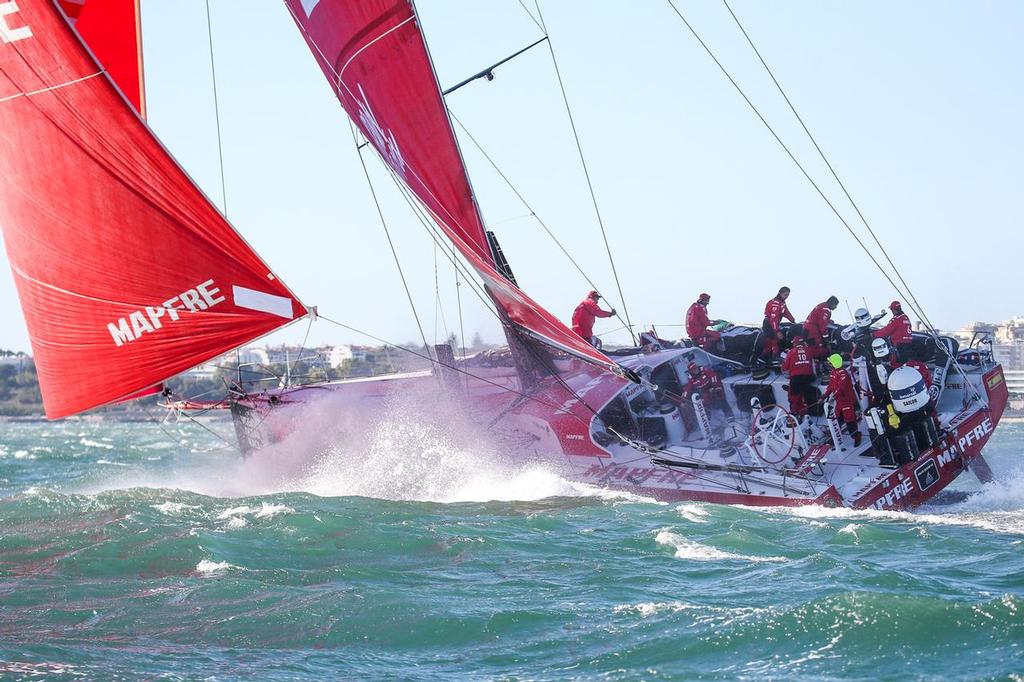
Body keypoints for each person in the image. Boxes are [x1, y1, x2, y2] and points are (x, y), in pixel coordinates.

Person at [823, 353, 862, 446]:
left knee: (850, 421)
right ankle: (835, 438)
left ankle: (857, 436)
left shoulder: (843, 374)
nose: (829, 364)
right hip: (839, 401)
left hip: (847, 401)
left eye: (830, 362)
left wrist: (832, 397)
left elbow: (841, 388)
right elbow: (830, 387)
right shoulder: (833, 373)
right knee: (835, 420)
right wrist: (823, 396)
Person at [782, 335, 816, 417]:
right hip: (809, 377)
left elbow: (784, 367)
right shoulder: (809, 350)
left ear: (795, 343)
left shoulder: (791, 352)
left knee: (793, 396)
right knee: (804, 392)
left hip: (796, 378)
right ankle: (808, 410)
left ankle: (796, 413)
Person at [762, 286, 795, 362]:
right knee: (774, 339)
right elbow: (773, 319)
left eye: (788, 295)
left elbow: (786, 312)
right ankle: (774, 357)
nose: (787, 297)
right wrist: (777, 331)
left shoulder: (782, 302)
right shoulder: (775, 304)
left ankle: (765, 357)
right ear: (780, 293)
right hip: (769, 323)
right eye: (785, 295)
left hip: (773, 323)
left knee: (770, 341)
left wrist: (792, 320)